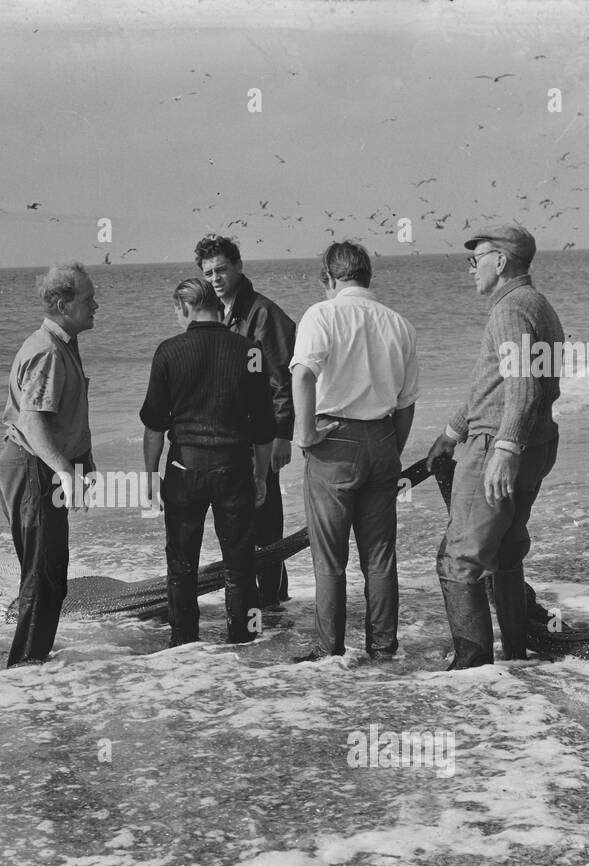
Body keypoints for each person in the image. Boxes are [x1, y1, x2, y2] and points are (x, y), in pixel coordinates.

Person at [425, 224, 563, 668]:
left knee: (458, 559)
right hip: (536, 445)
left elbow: (521, 387)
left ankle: (472, 669)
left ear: (500, 262)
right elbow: (501, 385)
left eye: (476, 258)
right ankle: (517, 657)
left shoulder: (508, 311)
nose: (471, 268)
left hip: (498, 447)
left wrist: (503, 450)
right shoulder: (539, 306)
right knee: (504, 552)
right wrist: (451, 432)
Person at [289, 242, 418, 660]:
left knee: (330, 558)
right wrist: (390, 448)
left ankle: (330, 651)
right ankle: (383, 648)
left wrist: (305, 434)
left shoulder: (321, 314)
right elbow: (406, 402)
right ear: (368, 277)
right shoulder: (400, 324)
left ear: (328, 279)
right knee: (379, 557)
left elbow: (303, 375)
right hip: (382, 437)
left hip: (334, 442)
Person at [141, 277, 275, 646]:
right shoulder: (250, 352)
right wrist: (260, 475)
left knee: (181, 568)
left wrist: (151, 477)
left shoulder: (168, 351)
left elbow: (154, 426)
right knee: (240, 568)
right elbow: (264, 428)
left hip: (185, 471)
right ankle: (246, 643)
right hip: (234, 469)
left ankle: (183, 646)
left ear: (184, 307)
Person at [0, 262, 97, 667]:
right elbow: (32, 421)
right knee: (43, 578)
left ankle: (33, 659)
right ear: (62, 304)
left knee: (50, 574)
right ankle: (22, 670)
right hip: (31, 468)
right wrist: (63, 472)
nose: (96, 306)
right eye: (88, 299)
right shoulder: (47, 351)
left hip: (40, 467)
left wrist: (81, 464)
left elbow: (61, 417)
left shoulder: (63, 344)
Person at [195, 235, 296, 610]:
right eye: (209, 273)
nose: (216, 278)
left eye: (222, 269)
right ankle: (255, 601)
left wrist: (283, 436)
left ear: (239, 267)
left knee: (266, 527)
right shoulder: (214, 313)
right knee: (239, 525)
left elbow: (283, 380)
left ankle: (273, 603)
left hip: (262, 439)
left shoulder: (264, 314)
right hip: (228, 440)